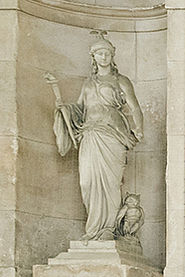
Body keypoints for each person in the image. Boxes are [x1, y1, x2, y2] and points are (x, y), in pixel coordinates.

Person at [45, 31, 144, 242]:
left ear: (112, 55)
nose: (104, 57)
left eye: (107, 53)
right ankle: (94, 229)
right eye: (100, 53)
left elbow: (134, 107)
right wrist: (65, 109)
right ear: (94, 57)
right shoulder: (88, 84)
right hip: (90, 134)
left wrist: (138, 129)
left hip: (113, 135)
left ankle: (108, 228)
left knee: (110, 183)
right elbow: (81, 109)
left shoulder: (121, 81)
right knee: (88, 182)